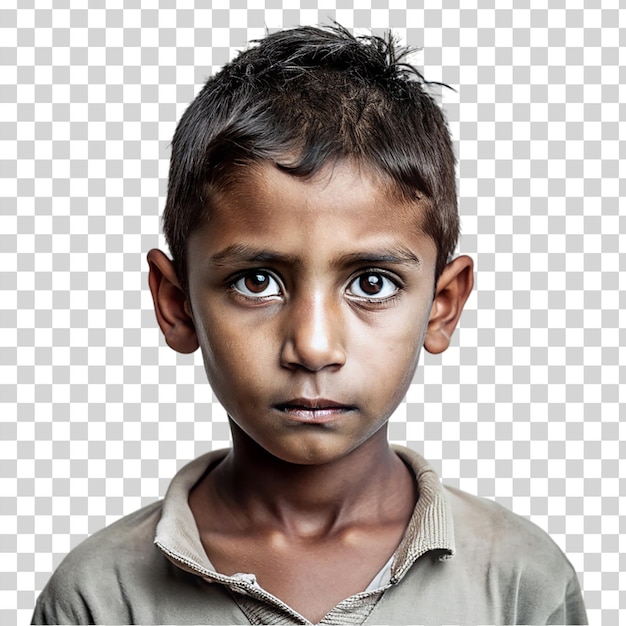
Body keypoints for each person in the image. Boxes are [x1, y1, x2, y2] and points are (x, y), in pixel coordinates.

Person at [32, 24, 587, 625]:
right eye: (257, 281)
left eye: (371, 283)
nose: (314, 347)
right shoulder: (100, 596)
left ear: (442, 304)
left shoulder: (519, 581)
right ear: (176, 303)